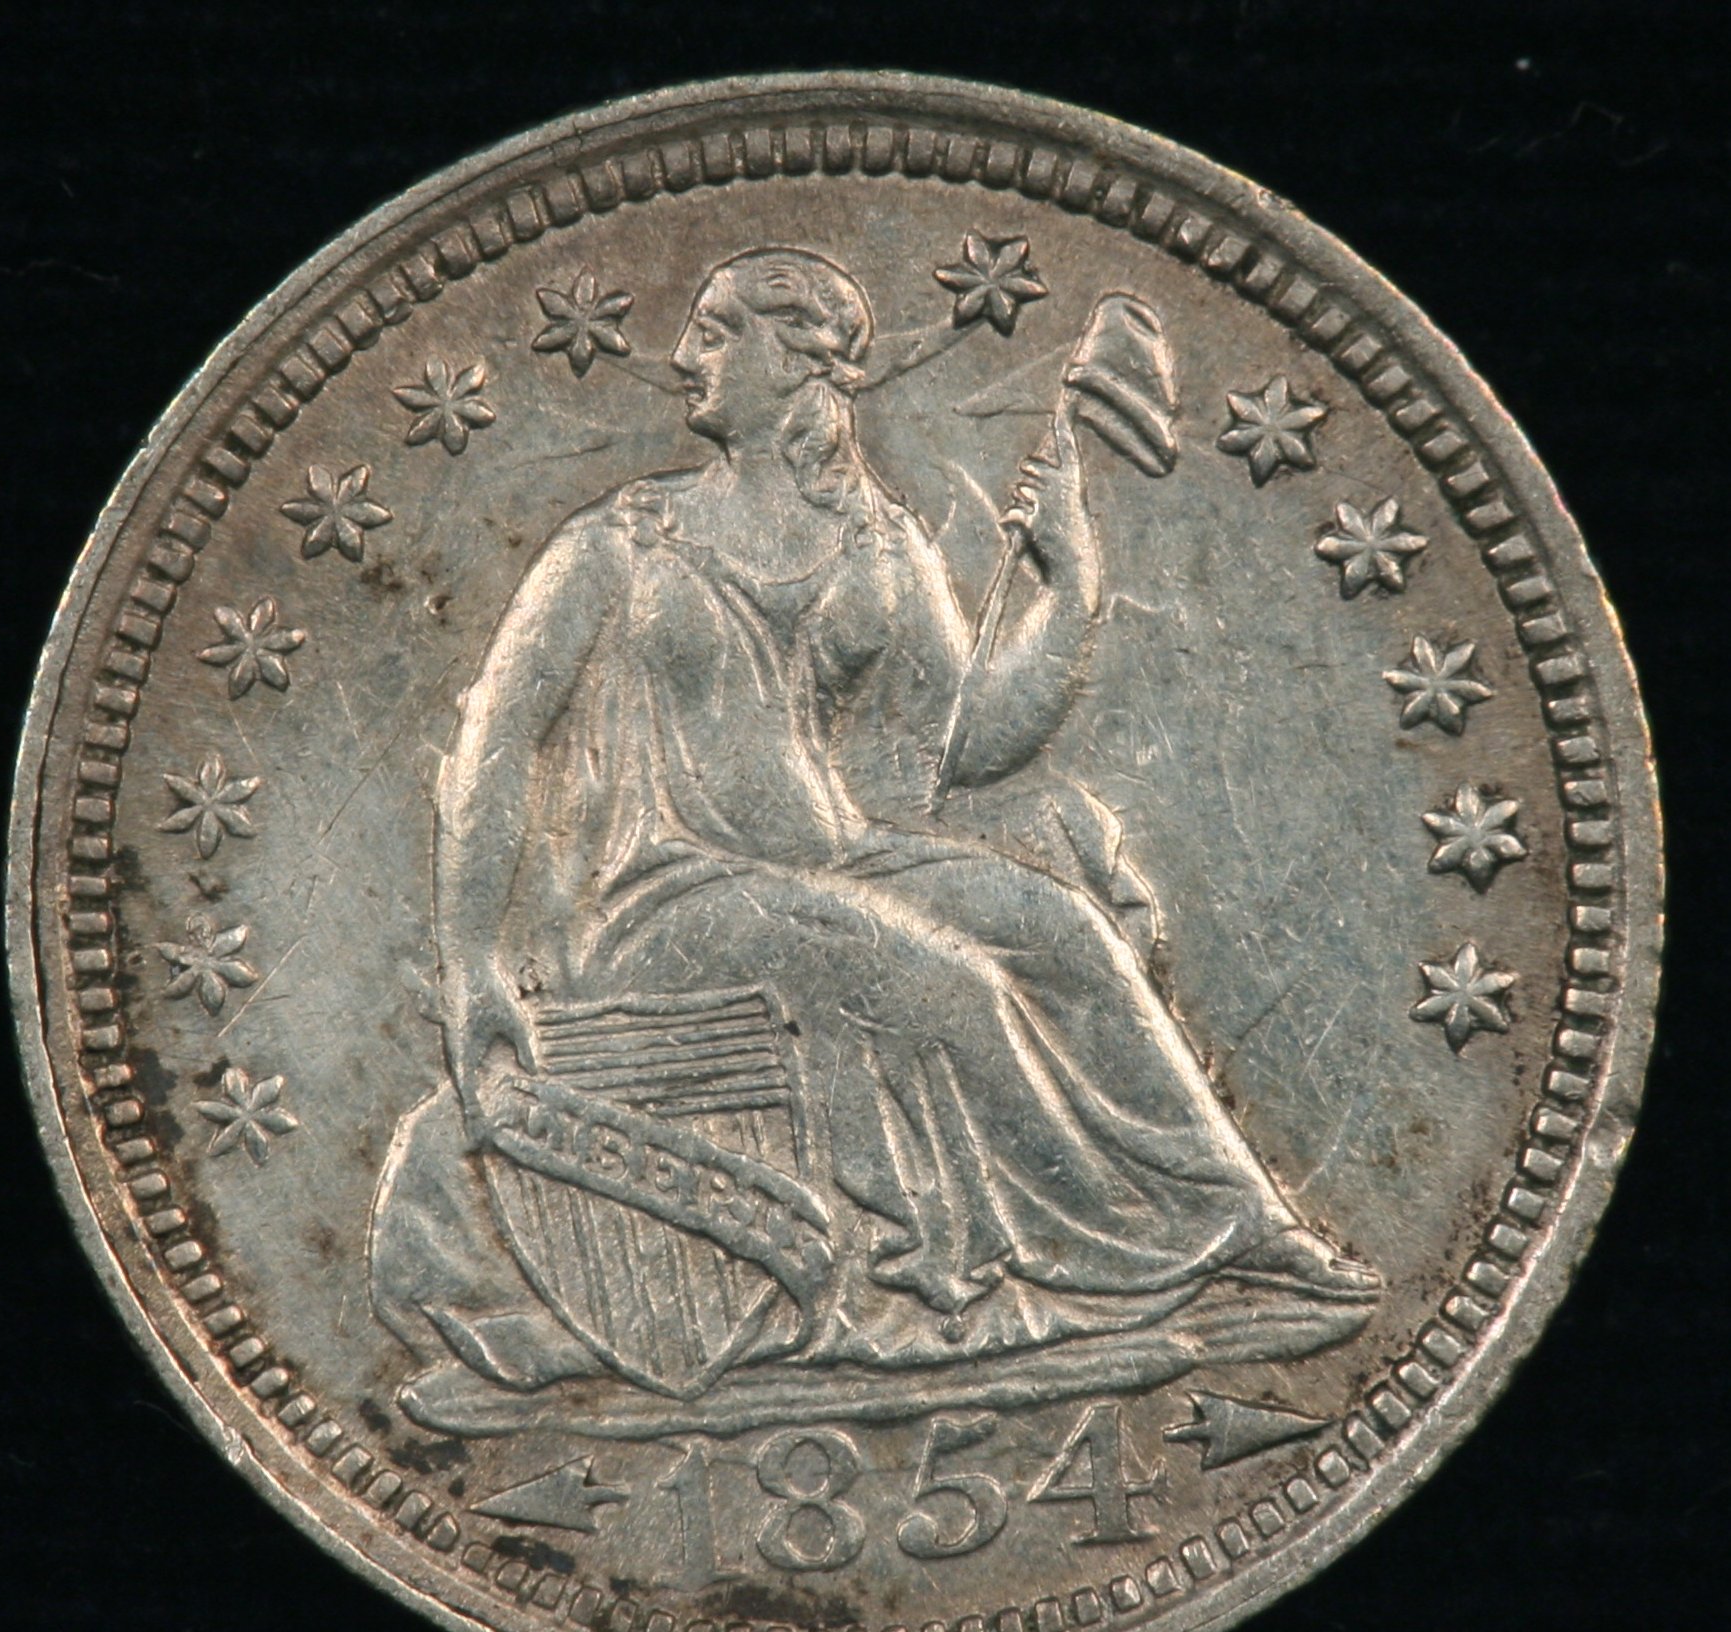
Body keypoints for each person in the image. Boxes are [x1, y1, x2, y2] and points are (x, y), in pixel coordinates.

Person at [372, 248, 1376, 1413]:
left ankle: (1238, 1225)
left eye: (715, 330)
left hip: (836, 858)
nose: (685, 356)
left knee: (1064, 932)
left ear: (795, 360)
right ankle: (1064, 1267)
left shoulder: (878, 540)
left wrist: (1068, 589)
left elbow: (964, 745)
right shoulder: (621, 541)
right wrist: (472, 970)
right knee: (933, 978)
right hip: (660, 898)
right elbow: (495, 746)